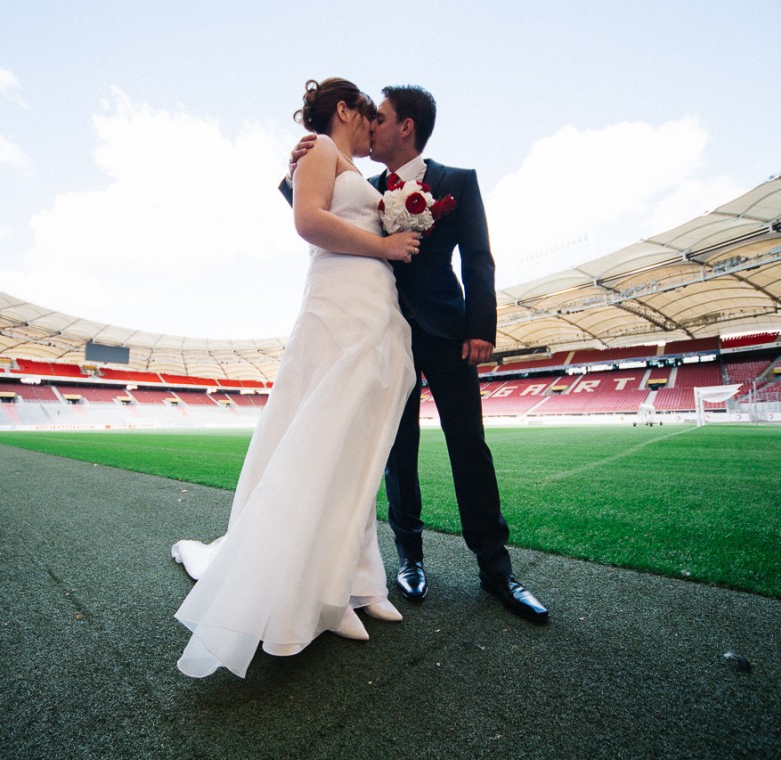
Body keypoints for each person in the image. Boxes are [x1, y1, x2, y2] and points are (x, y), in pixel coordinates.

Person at [170, 78, 422, 679]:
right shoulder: (318, 152)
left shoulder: (347, 165)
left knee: (360, 447)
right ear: (344, 110)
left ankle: (359, 579)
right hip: (339, 301)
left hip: (374, 304)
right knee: (325, 443)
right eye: (366, 117)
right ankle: (318, 590)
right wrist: (386, 249)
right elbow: (308, 222)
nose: (372, 130)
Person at [285, 85, 549, 622]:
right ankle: (410, 559)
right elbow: (315, 209)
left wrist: (481, 327)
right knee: (396, 449)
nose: (369, 126)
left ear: (406, 126)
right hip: (383, 329)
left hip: (450, 334)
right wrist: (292, 169)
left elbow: (479, 258)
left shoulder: (458, 182)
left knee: (468, 446)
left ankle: (497, 569)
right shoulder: (364, 184)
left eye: (379, 118)